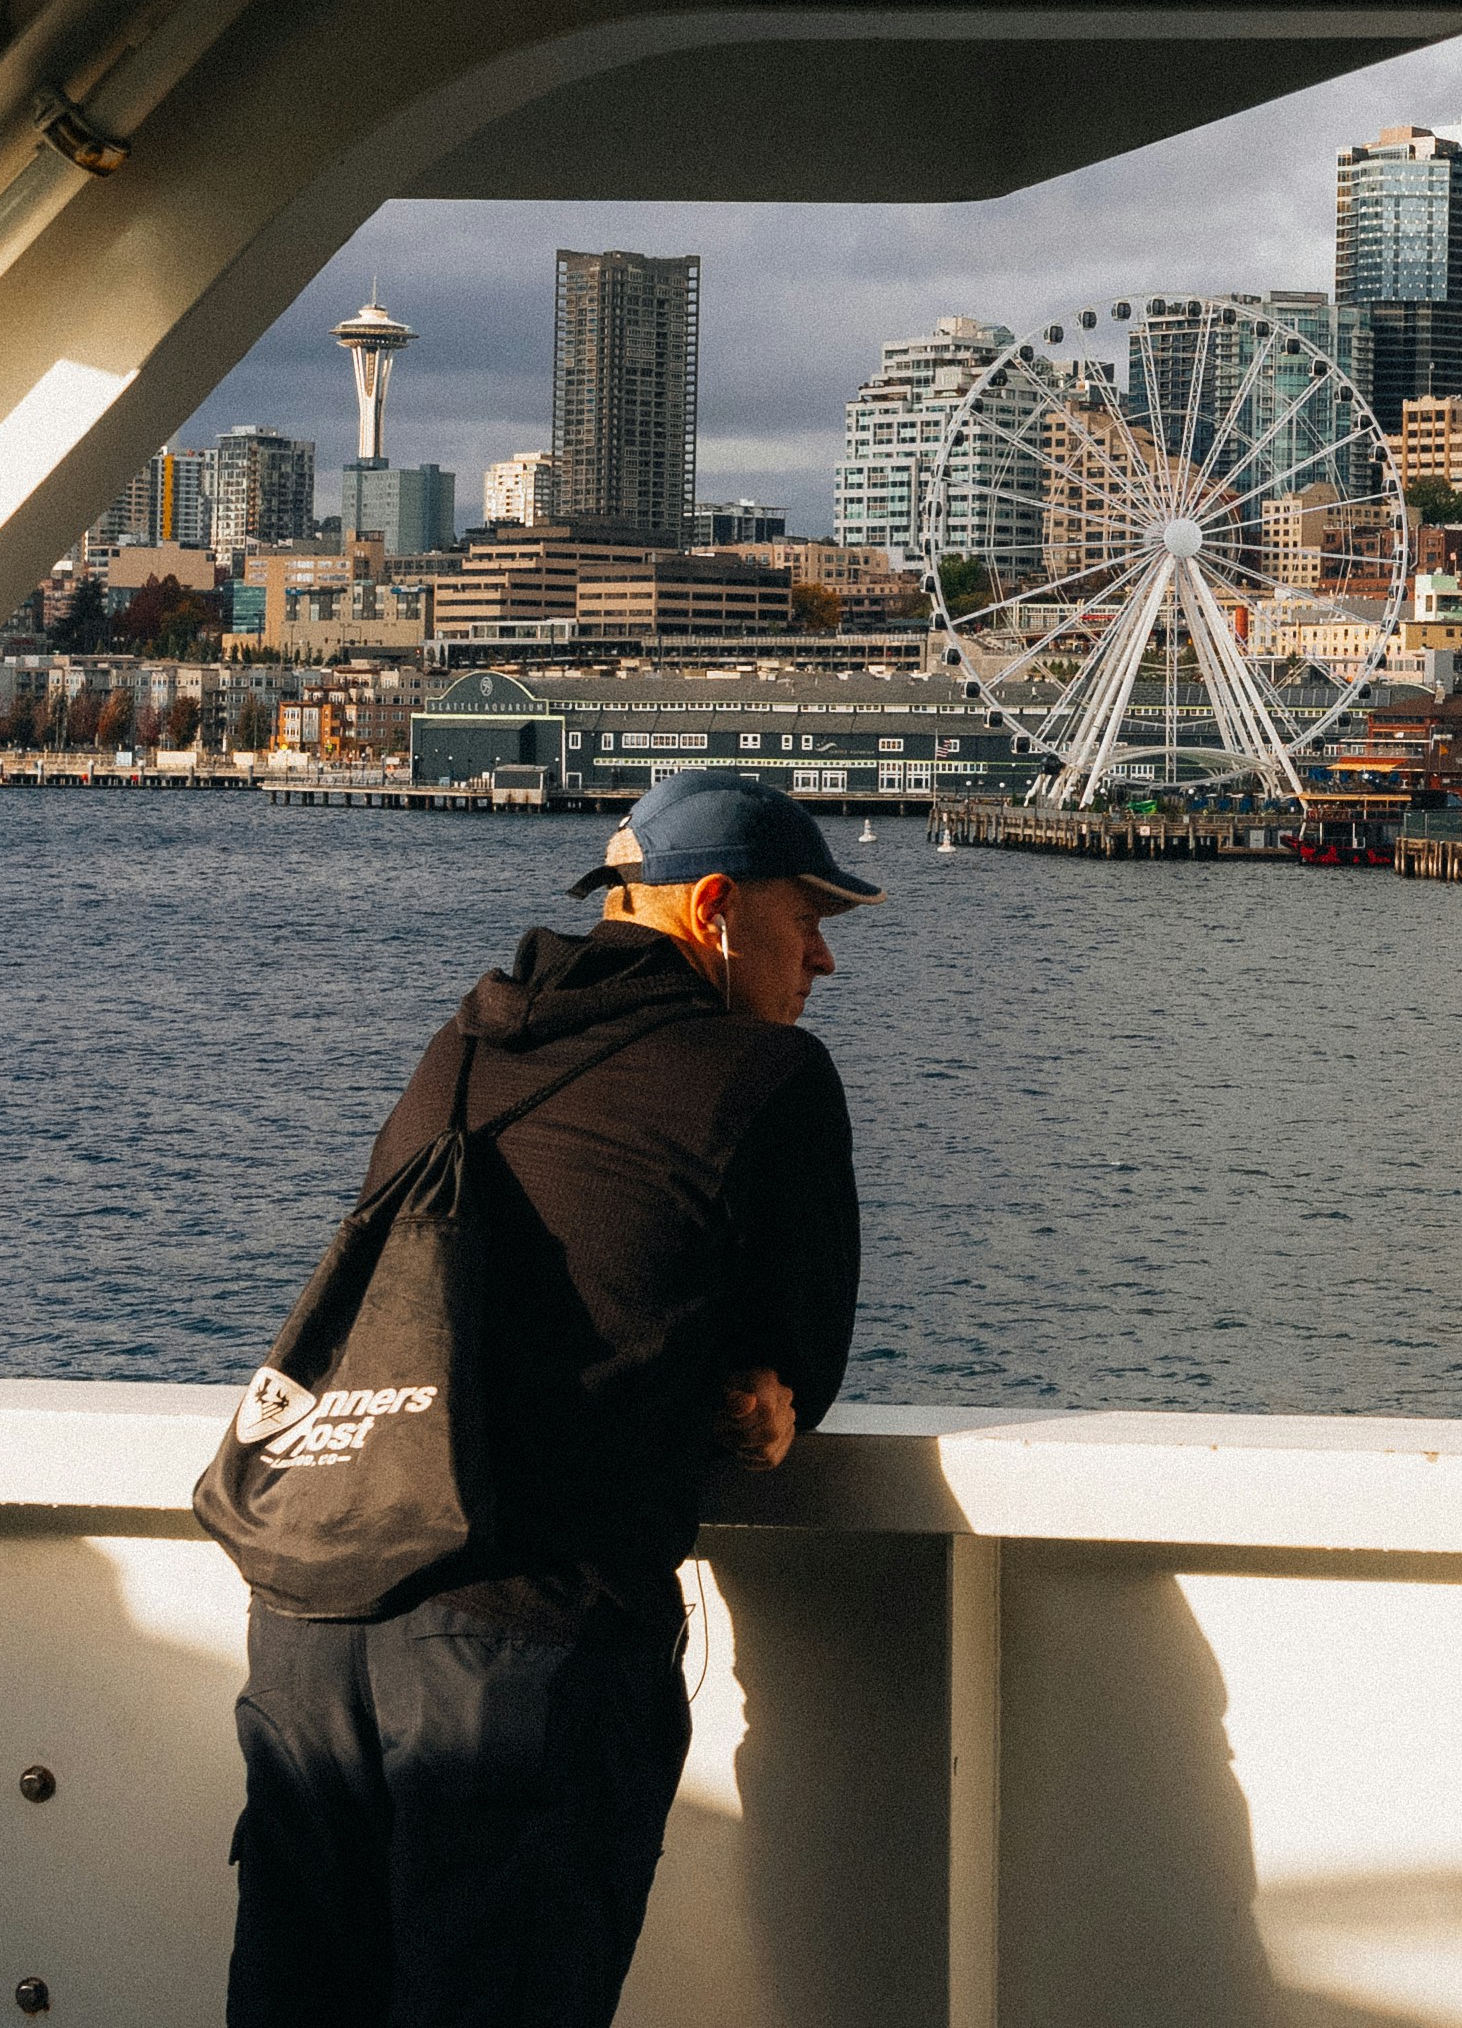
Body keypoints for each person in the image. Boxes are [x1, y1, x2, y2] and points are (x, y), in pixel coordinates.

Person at [226, 770, 874, 2028]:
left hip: (313, 1615)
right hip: (523, 1651)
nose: (826, 963)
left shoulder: (465, 1040)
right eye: (812, 923)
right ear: (720, 910)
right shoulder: (768, 1077)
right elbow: (800, 1372)